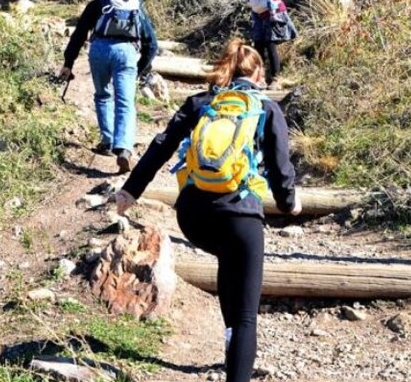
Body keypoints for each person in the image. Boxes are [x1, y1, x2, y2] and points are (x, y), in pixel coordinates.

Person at [112, 40, 299, 382]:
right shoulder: (267, 109)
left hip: (194, 216)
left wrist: (130, 190)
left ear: (222, 68)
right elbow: (281, 167)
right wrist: (289, 203)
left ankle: (231, 352)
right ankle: (238, 363)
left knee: (229, 262)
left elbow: (161, 145)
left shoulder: (201, 103)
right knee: (245, 315)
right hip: (239, 217)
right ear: (258, 74)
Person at [58, 0, 159, 173]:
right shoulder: (135, 8)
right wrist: (141, 68)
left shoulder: (97, 4)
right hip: (127, 53)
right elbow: (152, 43)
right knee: (125, 102)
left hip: (99, 50)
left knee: (103, 95)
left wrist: (68, 63)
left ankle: (107, 141)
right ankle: (124, 148)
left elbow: (79, 35)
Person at [247, 0, 286, 87]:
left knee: (270, 45)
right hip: (258, 14)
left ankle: (276, 78)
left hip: (272, 14)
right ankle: (260, 78)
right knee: (258, 46)